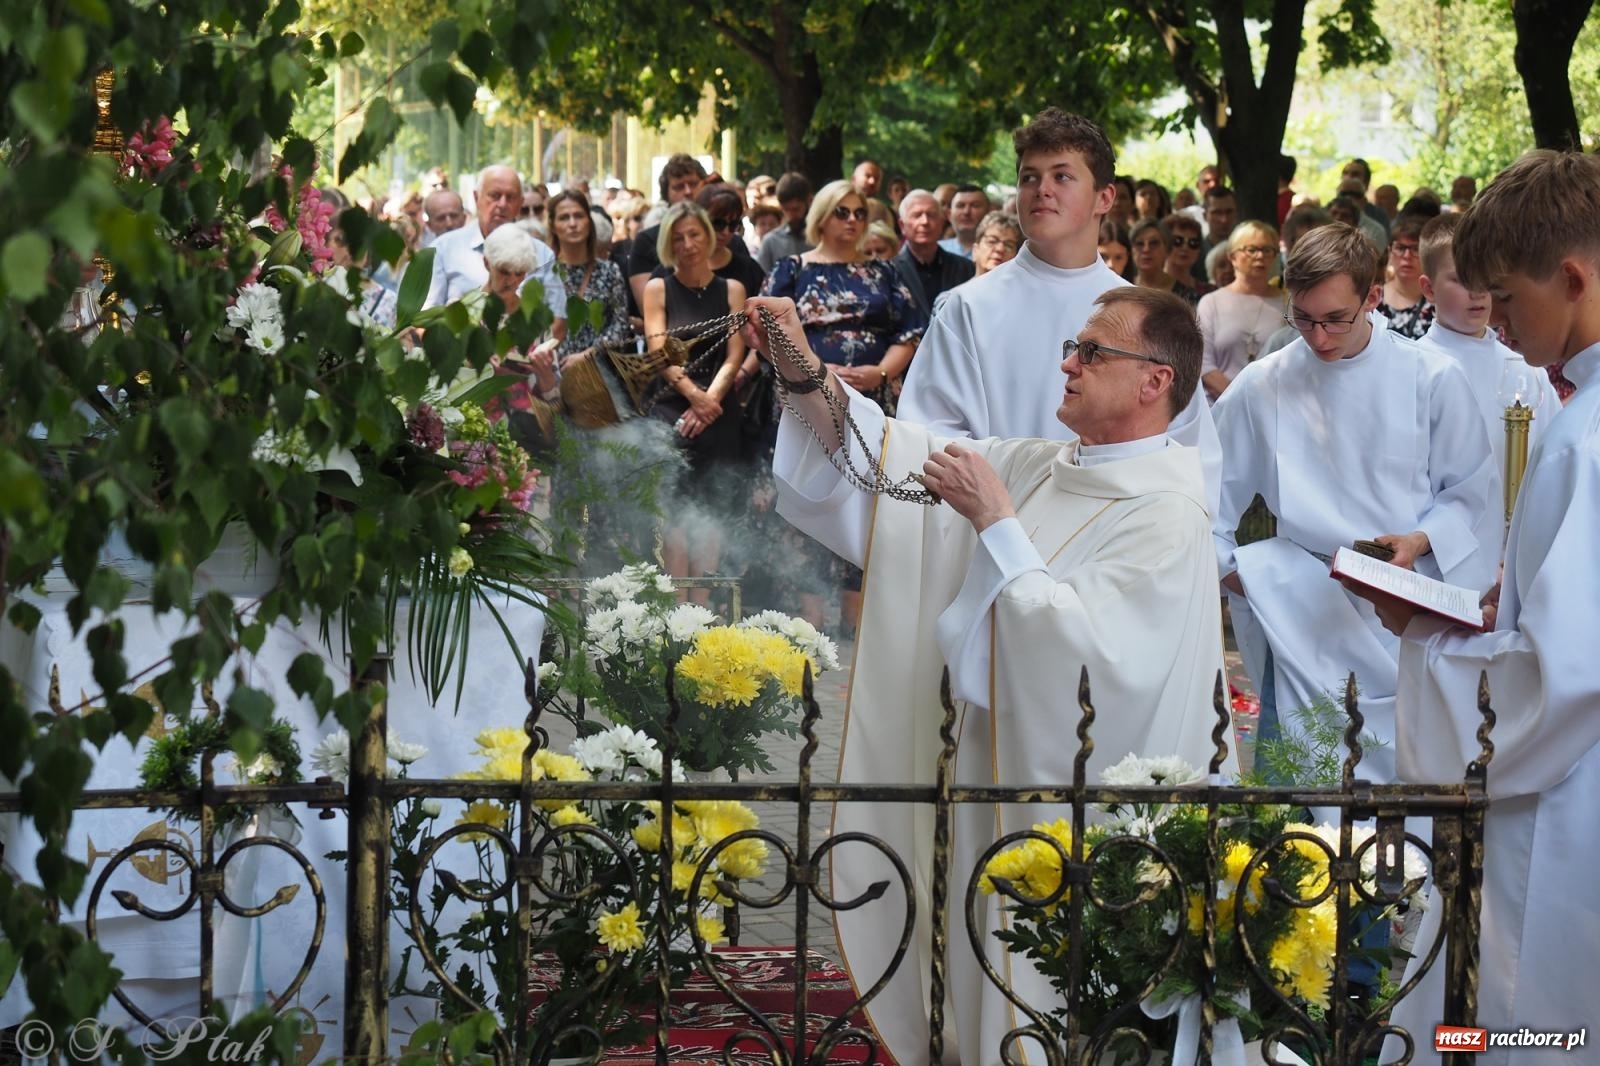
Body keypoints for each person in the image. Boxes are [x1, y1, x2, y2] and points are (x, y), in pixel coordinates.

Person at [756, 285, 1230, 1066]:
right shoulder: (1042, 465)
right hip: (982, 786)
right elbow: (882, 459)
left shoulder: (1169, 513)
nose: (1069, 363)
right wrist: (799, 363)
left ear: (1156, 382)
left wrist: (996, 524)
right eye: (1072, 347)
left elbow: (1089, 662)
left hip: (1066, 822)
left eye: (1093, 352)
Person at [1337, 151, 1600, 1066]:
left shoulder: (1585, 438)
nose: (1505, 327)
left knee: (1528, 1029)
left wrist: (1433, 648)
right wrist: (1509, 603)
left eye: (1512, 301)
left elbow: (1566, 676)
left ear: (1573, 278)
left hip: (1568, 805)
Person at [1212, 222, 1498, 792]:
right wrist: (1243, 574)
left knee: (1407, 807)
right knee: (1298, 813)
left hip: (1402, 607)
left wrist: (1417, 542)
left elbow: (1468, 491)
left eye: (1336, 318)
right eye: (1303, 318)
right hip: (1302, 617)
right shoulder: (1263, 385)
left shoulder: (1431, 377)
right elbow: (1208, 496)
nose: (1318, 338)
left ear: (1372, 298)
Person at [898, 107, 1221, 517]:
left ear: (1105, 198)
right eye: (1029, 177)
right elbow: (928, 435)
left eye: (1061, 176)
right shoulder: (968, 307)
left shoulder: (1144, 315)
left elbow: (1188, 448)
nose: (1041, 189)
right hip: (995, 530)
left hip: (1116, 532)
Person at [761, 179, 925, 631]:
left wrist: (880, 373)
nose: (853, 220)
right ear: (821, 215)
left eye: (859, 213)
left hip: (870, 399)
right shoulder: (792, 269)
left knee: (868, 495)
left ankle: (860, 624)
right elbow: (764, 333)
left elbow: (911, 332)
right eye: (842, 212)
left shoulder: (885, 273)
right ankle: (805, 624)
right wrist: (810, 371)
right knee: (812, 489)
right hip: (807, 398)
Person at [1415, 212, 1560, 517]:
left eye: (1486, 278)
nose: (1478, 291)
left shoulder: (1525, 371)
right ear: (1428, 289)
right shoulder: (1412, 369)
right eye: (1461, 279)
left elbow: (1553, 461)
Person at [640, 202, 747, 603]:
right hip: (672, 404)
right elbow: (658, 349)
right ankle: (676, 609)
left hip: (719, 407)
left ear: (709, 235)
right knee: (674, 515)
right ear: (669, 243)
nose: (688, 244)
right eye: (679, 237)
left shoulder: (732, 288)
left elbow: (735, 354)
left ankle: (703, 608)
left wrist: (710, 400)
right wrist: (694, 397)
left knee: (712, 511)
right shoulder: (658, 288)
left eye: (695, 234)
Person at [424, 164, 566, 332]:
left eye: (511, 197)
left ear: (520, 203)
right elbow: (425, 318)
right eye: (495, 195)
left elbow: (558, 318)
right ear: (477, 198)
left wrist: (535, 350)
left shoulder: (542, 254)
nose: (502, 204)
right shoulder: (442, 249)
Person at [1196, 221, 1284, 402]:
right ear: (1233, 256)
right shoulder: (1211, 303)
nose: (1260, 256)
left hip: (1274, 406)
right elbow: (1203, 365)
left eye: (1267, 250)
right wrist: (1241, 400)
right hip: (1221, 408)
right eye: (1252, 250)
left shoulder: (1288, 302)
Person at [546, 189, 631, 368]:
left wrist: (588, 355)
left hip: (599, 376)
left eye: (579, 216)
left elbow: (620, 325)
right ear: (553, 225)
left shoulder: (609, 271)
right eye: (564, 217)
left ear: (588, 221)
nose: (572, 223)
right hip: (552, 375)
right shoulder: (544, 275)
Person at [627, 153, 708, 310]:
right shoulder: (646, 241)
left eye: (693, 184)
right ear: (667, 194)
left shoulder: (725, 235)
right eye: (679, 187)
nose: (688, 191)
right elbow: (647, 307)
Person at [890, 189, 974, 318]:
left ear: (942, 222)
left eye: (931, 215)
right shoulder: (890, 271)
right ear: (902, 225)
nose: (925, 222)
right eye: (917, 215)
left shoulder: (965, 268)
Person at [1376, 213, 1435, 339]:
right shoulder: (1372, 299)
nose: (1407, 256)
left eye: (1415, 249)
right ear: (1390, 252)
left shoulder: (1439, 305)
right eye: (1400, 248)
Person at [1129, 218, 1197, 306]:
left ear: (1167, 250)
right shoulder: (1121, 288)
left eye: (1154, 243)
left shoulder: (1186, 296)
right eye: (1139, 244)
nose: (1146, 249)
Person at [756, 172, 814, 271]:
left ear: (809, 201)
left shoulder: (824, 237)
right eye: (786, 210)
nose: (791, 216)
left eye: (796, 209)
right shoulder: (771, 242)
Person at [1162, 211, 1210, 297]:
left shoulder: (1208, 292)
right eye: (1177, 241)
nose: (1185, 247)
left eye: (1193, 243)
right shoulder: (1149, 289)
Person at [939, 184, 991, 259]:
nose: (966, 212)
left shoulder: (998, 253)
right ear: (949, 214)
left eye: (975, 205)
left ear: (988, 213)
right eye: (960, 206)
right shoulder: (936, 251)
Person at [969, 211, 1021, 277]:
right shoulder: (960, 287)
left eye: (1009, 246)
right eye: (992, 241)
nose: (1000, 249)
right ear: (975, 250)